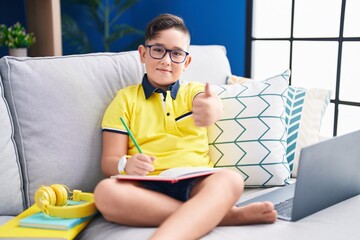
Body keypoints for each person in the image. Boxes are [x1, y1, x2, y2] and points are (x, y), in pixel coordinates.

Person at [94, 13, 277, 240]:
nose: (166, 60)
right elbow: (108, 162)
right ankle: (224, 216)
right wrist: (126, 164)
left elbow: (210, 103)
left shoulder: (193, 92)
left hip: (197, 181)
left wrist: (210, 109)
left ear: (187, 61)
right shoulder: (124, 100)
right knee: (104, 193)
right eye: (158, 49)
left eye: (177, 53)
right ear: (143, 53)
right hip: (145, 188)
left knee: (231, 180)